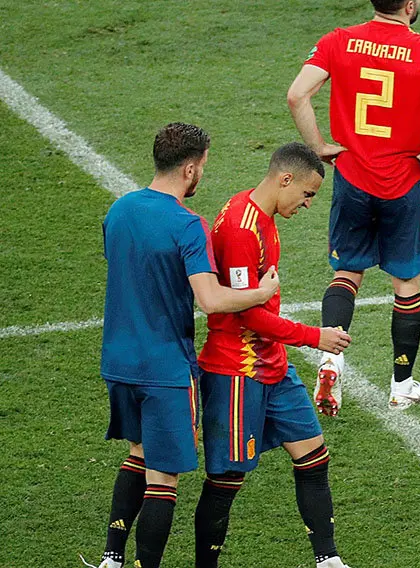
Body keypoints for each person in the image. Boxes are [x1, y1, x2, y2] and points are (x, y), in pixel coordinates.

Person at [89, 123, 278, 568]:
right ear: (190, 168)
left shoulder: (119, 211)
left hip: (117, 361)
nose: (202, 176)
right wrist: (261, 293)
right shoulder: (186, 225)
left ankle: (112, 558)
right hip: (165, 368)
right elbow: (210, 298)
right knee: (163, 479)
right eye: (203, 168)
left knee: (138, 452)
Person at [287, 0, 420, 413]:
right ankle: (401, 384)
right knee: (406, 284)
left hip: (352, 178)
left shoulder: (337, 41)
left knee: (347, 270)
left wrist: (317, 148)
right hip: (402, 182)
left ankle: (331, 358)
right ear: (409, 4)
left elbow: (297, 94)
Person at [194, 143, 353, 568]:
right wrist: (312, 337)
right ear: (286, 179)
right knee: (227, 479)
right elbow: (247, 312)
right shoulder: (242, 230)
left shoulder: (262, 216)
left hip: (272, 366)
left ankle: (328, 560)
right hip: (236, 369)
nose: (307, 204)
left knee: (314, 455)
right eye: (307, 194)